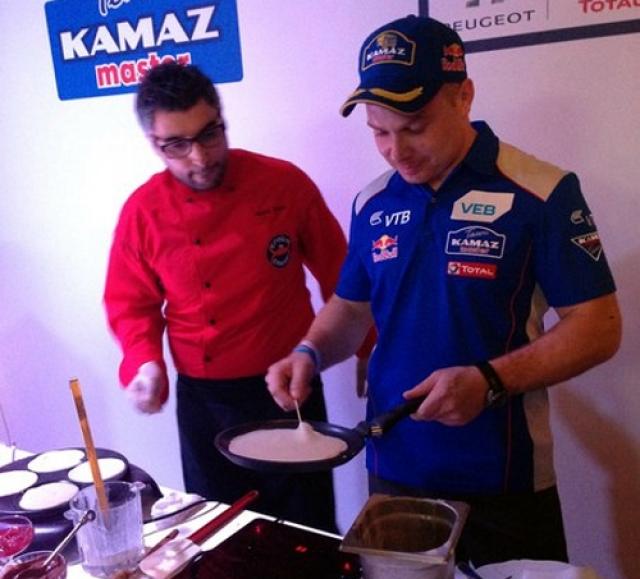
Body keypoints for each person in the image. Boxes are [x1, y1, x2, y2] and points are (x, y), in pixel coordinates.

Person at [266, 15, 622, 565]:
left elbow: (599, 327)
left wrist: (490, 380)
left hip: (502, 479)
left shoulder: (542, 191)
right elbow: (352, 310)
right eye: (379, 132)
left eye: (414, 127)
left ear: (463, 97)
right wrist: (309, 352)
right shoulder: (372, 202)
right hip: (393, 469)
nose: (396, 151)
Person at [103, 62, 348, 532]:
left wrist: (369, 345)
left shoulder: (284, 183)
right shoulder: (142, 211)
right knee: (220, 534)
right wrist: (145, 361)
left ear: (222, 119)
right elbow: (130, 303)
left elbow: (343, 276)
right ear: (154, 143)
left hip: (289, 388)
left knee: (308, 531)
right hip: (206, 403)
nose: (199, 157)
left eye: (209, 134)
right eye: (177, 145)